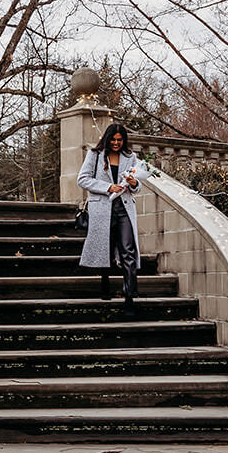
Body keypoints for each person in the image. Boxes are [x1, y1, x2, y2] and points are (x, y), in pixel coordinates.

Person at [77, 122, 144, 313]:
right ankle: (105, 284)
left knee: (128, 251)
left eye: (120, 140)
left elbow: (137, 187)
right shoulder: (95, 155)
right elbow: (82, 179)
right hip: (102, 209)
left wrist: (133, 183)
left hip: (124, 209)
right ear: (107, 139)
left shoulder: (130, 157)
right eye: (113, 140)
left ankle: (130, 295)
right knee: (104, 248)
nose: (116, 143)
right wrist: (108, 187)